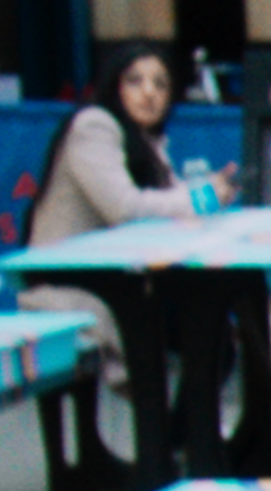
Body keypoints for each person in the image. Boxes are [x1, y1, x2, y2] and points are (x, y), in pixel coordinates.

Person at [19, 43, 209, 367]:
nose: (149, 93)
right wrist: (201, 198)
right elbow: (126, 207)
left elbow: (168, 199)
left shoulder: (145, 140)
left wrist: (208, 191)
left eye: (160, 84)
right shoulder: (94, 126)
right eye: (135, 81)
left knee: (209, 320)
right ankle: (170, 419)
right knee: (198, 322)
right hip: (72, 289)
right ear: (114, 85)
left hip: (120, 286)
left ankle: (181, 420)